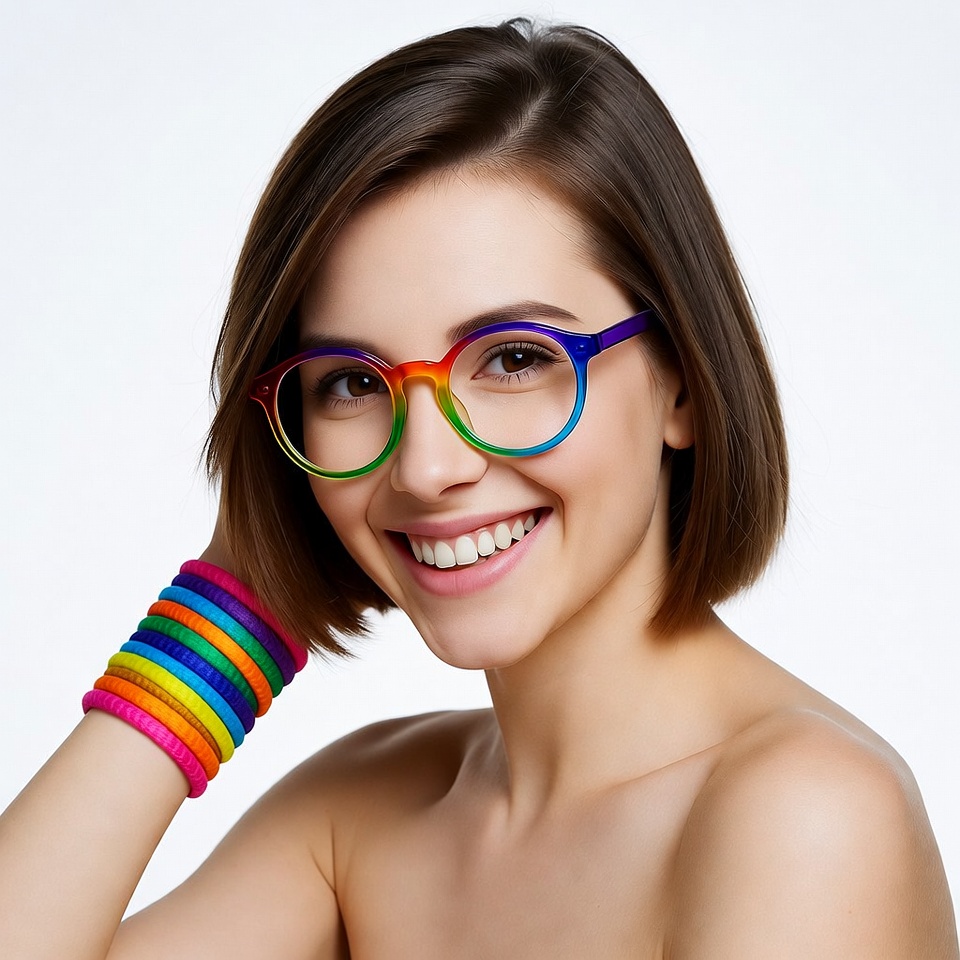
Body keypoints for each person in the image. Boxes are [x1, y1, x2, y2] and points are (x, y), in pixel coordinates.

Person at [1, 17, 956, 959]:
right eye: (352, 383)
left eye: (512, 358)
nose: (424, 466)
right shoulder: (358, 823)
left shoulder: (806, 814)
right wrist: (237, 591)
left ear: (683, 381)